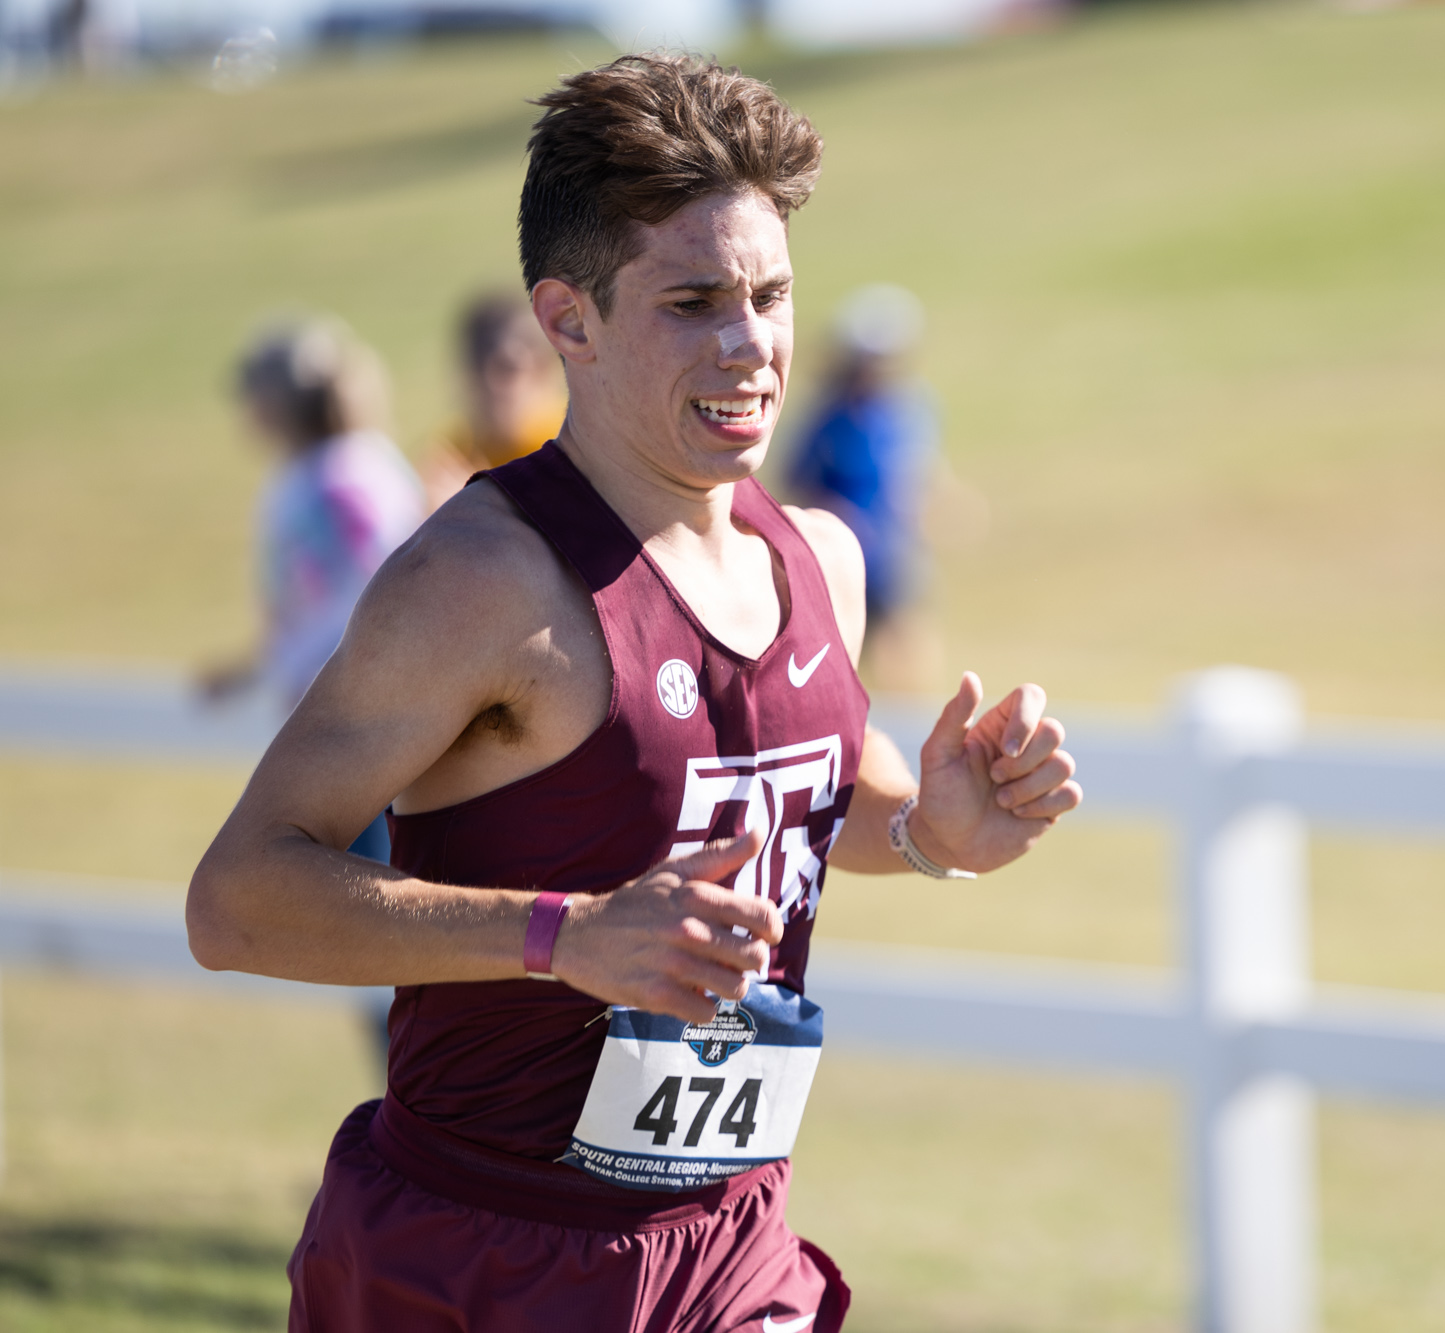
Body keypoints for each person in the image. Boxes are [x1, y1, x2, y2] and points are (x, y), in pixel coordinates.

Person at [186, 52, 1082, 1333]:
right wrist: (562, 937)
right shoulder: (478, 582)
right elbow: (236, 899)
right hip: (477, 1259)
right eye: (692, 300)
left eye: (771, 294)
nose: (749, 345)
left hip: (729, 1245)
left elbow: (791, 801)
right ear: (569, 320)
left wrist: (924, 831)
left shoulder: (819, 556)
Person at [202, 316, 424, 861]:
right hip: (335, 713)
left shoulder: (341, 478)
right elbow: (306, 606)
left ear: (280, 399)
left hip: (356, 718)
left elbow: (389, 581)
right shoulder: (319, 473)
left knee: (364, 877)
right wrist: (252, 669)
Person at [787, 283, 974, 693]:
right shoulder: (829, 418)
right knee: (849, 660)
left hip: (898, 554)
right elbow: (797, 481)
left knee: (908, 648)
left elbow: (921, 469)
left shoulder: (912, 407)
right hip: (846, 556)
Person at [418, 290, 568, 512]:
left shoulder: (569, 444)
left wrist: (474, 504)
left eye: (507, 369)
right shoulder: (455, 454)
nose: (491, 385)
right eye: (478, 368)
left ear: (543, 369)